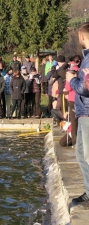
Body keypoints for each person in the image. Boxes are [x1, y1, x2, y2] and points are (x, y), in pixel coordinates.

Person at [66, 22, 89, 204]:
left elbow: (85, 88)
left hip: (88, 112)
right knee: (81, 154)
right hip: (83, 112)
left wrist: (72, 79)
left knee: (87, 155)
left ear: (82, 36)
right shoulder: (86, 58)